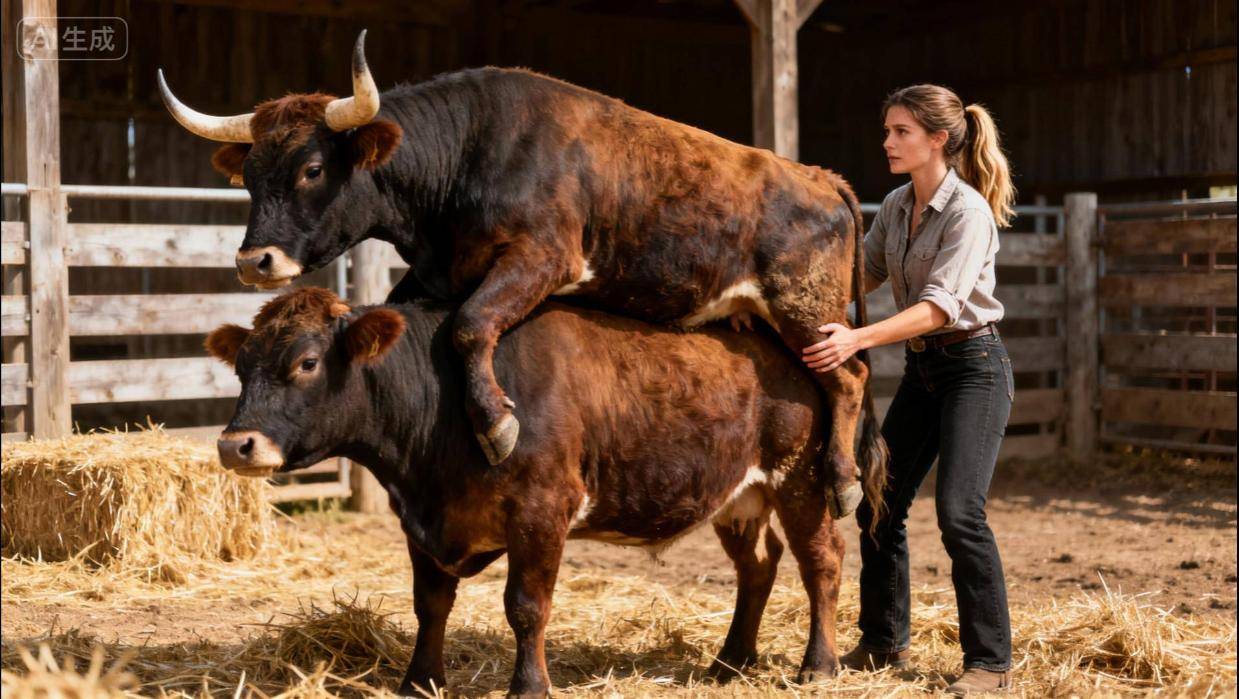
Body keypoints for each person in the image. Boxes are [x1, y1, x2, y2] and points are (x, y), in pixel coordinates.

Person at [801, 84, 1016, 695]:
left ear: (938, 140)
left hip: (975, 368)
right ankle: (883, 642)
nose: (888, 142)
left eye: (902, 132)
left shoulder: (968, 212)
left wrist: (856, 338)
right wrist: (794, 311)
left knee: (960, 514)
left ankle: (990, 664)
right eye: (888, 130)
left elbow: (939, 308)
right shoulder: (898, 204)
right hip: (924, 371)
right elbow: (863, 274)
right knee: (878, 504)